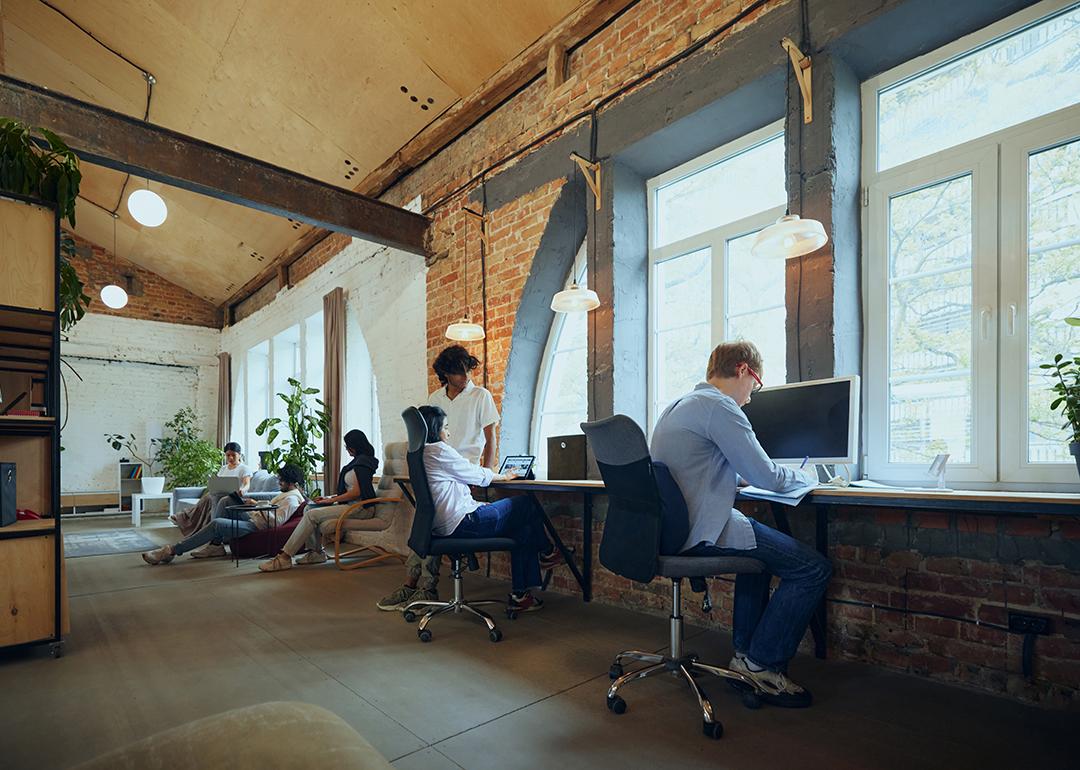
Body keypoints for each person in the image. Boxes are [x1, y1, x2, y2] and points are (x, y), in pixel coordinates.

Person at [650, 340, 831, 708]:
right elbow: (767, 475)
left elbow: (698, 471)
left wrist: (739, 478)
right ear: (744, 370)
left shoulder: (677, 406)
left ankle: (746, 657)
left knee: (759, 561)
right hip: (704, 529)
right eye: (756, 384)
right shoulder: (720, 407)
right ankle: (762, 665)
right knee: (813, 568)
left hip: (673, 529)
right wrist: (808, 477)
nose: (751, 396)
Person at [377, 345, 500, 611]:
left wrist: (485, 477)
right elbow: (426, 440)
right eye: (458, 372)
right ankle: (418, 588)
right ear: (445, 373)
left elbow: (491, 440)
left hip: (465, 473)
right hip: (436, 470)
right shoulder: (435, 398)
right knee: (426, 519)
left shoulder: (481, 396)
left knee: (430, 521)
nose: (464, 376)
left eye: (466, 369)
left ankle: (420, 588)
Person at [409, 405, 561, 613]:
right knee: (526, 503)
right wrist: (505, 476)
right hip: (462, 524)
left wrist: (480, 505)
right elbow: (476, 475)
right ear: (434, 429)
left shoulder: (419, 454)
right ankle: (547, 551)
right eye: (445, 427)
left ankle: (521, 596)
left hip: (443, 526)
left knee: (523, 530)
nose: (449, 432)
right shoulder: (438, 450)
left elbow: (451, 492)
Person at [258, 430, 380, 572]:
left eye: (348, 447)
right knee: (309, 508)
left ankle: (284, 557)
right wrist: (328, 498)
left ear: (355, 446)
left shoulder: (363, 464)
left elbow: (357, 493)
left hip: (361, 508)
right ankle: (316, 553)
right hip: (352, 505)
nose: (347, 450)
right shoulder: (358, 462)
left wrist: (332, 500)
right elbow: (351, 491)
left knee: (312, 514)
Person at [142, 464, 305, 564]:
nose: (279, 482)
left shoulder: (291, 500)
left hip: (256, 526)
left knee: (217, 523)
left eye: (281, 480)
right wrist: (252, 504)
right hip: (255, 518)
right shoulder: (286, 495)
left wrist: (258, 505)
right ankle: (215, 545)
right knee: (226, 500)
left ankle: (171, 551)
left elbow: (276, 521)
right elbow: (271, 509)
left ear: (290, 482)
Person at [170, 442, 253, 537]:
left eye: (233, 455)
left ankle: (184, 516)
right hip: (220, 494)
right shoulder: (223, 468)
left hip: (233, 497)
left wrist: (242, 490)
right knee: (210, 496)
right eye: (228, 455)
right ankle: (187, 518)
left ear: (239, 455)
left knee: (209, 497)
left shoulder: (244, 468)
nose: (230, 458)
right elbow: (218, 483)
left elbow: (247, 484)